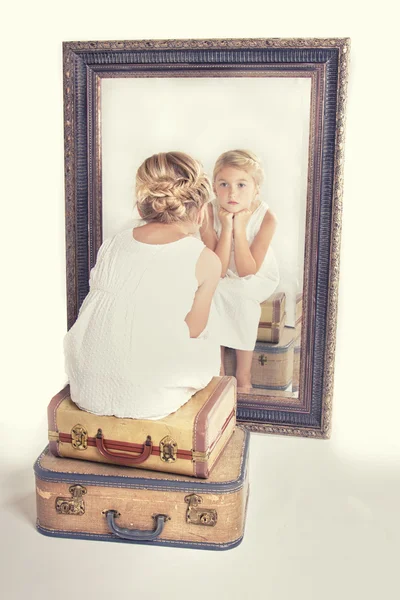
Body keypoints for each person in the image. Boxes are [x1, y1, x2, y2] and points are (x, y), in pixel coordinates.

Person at [64, 152, 222, 419]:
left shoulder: (113, 243)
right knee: (210, 343)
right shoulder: (205, 258)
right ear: (202, 212)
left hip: (86, 386)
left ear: (141, 207)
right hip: (149, 398)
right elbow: (193, 330)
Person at [200, 149, 279, 390]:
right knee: (213, 292)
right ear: (214, 188)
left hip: (256, 273)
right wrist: (226, 226)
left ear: (256, 189)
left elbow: (247, 271)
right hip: (220, 270)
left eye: (242, 185)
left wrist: (240, 228)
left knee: (242, 295)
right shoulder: (208, 212)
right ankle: (218, 369)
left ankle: (244, 375)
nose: (232, 193)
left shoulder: (267, 218)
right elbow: (219, 270)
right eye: (224, 184)